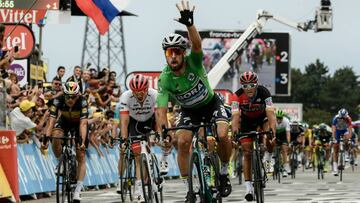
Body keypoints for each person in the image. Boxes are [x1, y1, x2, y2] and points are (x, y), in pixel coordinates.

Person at [156, 1, 232, 201]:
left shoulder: (194, 62)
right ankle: (189, 187)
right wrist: (163, 130)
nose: (172, 57)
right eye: (168, 53)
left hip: (211, 104)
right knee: (181, 142)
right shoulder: (164, 78)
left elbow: (197, 44)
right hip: (189, 110)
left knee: (223, 135)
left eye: (176, 52)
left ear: (183, 53)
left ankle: (223, 172)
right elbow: (161, 110)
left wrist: (190, 25)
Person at [117, 74, 170, 203]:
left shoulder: (155, 95)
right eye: (136, 93)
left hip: (151, 120)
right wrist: (124, 140)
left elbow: (159, 116)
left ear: (146, 89)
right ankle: (137, 188)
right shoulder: (125, 97)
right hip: (134, 122)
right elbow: (124, 122)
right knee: (136, 154)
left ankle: (164, 159)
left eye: (141, 92)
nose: (138, 95)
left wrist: (160, 134)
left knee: (167, 135)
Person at [231, 71, 276, 201]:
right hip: (246, 121)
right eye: (245, 86)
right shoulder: (237, 96)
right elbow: (235, 117)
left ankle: (268, 156)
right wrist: (234, 132)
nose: (249, 88)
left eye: (251, 85)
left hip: (263, 118)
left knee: (269, 136)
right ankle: (248, 187)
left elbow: (271, 115)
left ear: (256, 84)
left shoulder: (264, 93)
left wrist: (272, 131)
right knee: (246, 151)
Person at [42, 81, 88, 202]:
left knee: (81, 154)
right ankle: (60, 162)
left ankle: (78, 190)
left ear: (78, 95)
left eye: (73, 97)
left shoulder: (83, 101)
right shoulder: (58, 100)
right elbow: (51, 122)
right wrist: (46, 138)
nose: (70, 99)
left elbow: (83, 124)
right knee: (56, 136)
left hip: (79, 124)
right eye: (68, 96)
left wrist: (82, 141)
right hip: (65, 121)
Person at [331, 108, 353, 176]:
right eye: (341, 117)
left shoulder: (348, 118)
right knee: (335, 148)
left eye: (344, 117)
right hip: (337, 131)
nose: (343, 119)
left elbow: (350, 129)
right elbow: (333, 130)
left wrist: (349, 137)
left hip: (344, 130)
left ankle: (346, 154)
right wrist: (334, 138)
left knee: (347, 139)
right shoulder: (335, 118)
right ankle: (335, 169)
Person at [274, 110, 291, 177]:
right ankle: (270, 165)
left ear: (283, 117)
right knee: (271, 146)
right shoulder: (273, 120)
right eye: (277, 117)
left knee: (284, 150)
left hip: (283, 135)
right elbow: (273, 132)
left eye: (280, 118)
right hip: (276, 134)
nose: (279, 119)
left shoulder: (286, 121)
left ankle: (285, 169)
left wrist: (288, 143)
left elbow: (288, 133)